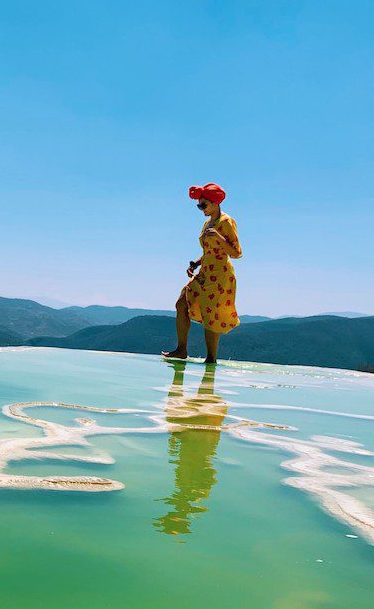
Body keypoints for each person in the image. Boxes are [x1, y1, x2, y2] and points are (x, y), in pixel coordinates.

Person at [163, 183, 242, 363]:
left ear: (215, 203)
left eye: (203, 205)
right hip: (205, 272)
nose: (201, 209)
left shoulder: (226, 222)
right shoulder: (208, 223)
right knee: (181, 303)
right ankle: (181, 349)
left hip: (221, 275)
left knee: (211, 316)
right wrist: (196, 263)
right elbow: (210, 251)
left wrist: (219, 237)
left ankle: (211, 359)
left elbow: (236, 253)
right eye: (199, 205)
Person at [154, 361, 226, 536]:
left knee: (197, 407)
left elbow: (206, 469)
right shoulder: (194, 496)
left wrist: (177, 437)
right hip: (199, 448)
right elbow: (207, 468)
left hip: (198, 448)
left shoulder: (193, 494)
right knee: (199, 405)